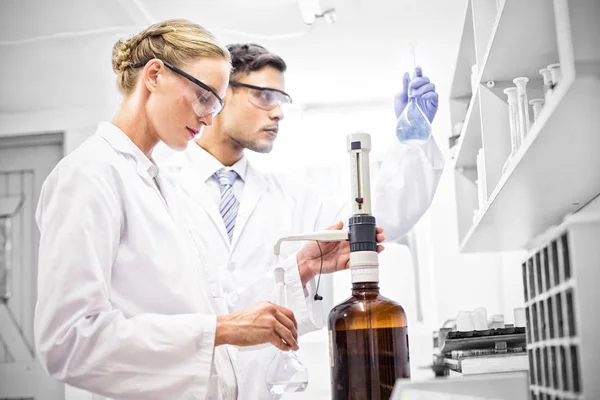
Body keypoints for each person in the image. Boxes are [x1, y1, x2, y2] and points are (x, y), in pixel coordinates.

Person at [34, 20, 306, 400]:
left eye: (218, 104)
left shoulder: (161, 184)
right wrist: (220, 330)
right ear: (155, 75)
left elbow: (210, 302)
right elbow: (69, 342)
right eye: (203, 96)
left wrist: (303, 267)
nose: (210, 117)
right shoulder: (89, 175)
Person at [161, 43, 445, 399]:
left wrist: (412, 140)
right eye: (264, 96)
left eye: (281, 100)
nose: (277, 113)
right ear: (220, 93)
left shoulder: (293, 199)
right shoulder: (161, 187)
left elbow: (369, 223)